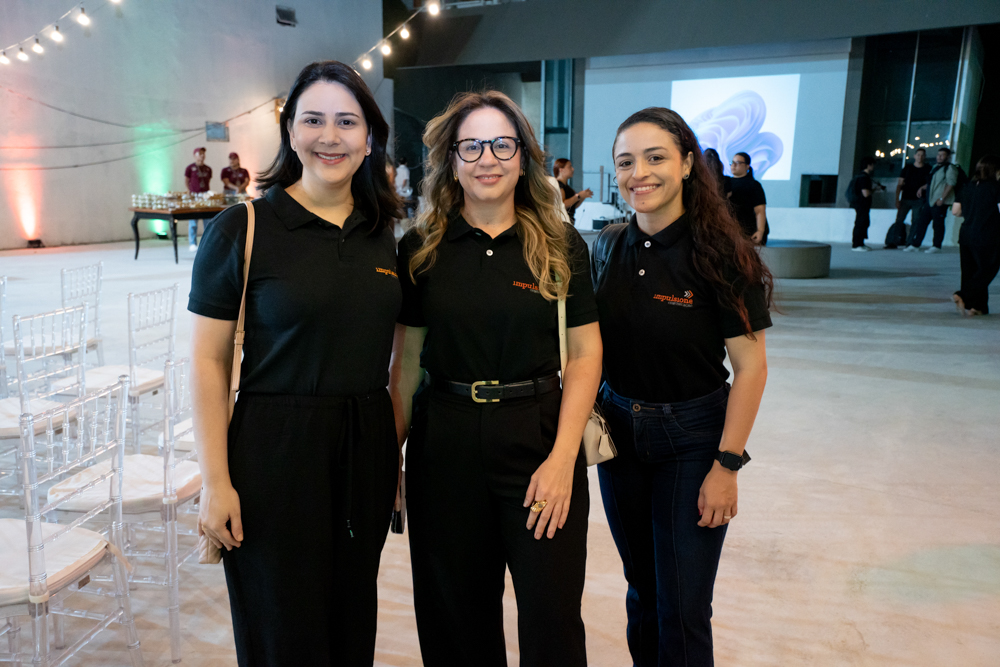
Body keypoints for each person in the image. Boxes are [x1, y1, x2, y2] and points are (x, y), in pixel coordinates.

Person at [188, 60, 401, 666]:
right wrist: (215, 481)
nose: (329, 136)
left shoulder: (384, 233)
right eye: (313, 120)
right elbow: (207, 362)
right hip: (273, 448)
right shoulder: (242, 228)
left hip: (365, 447)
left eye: (346, 121)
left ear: (368, 139)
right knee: (282, 625)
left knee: (351, 616)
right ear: (290, 132)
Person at [389, 90, 602, 667]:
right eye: (472, 145)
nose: (488, 158)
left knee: (552, 619)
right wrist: (392, 458)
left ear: (523, 156)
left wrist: (563, 461)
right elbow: (406, 367)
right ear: (452, 160)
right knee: (454, 619)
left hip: (537, 440)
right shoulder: (420, 249)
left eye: (502, 144)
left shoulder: (559, 246)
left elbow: (584, 355)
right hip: (446, 444)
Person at [595, 107, 772, 666]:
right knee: (642, 593)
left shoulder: (720, 253)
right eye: (626, 162)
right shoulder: (607, 246)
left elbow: (751, 367)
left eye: (655, 158)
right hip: (618, 437)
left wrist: (727, 465)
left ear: (688, 163)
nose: (638, 174)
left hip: (693, 441)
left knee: (684, 605)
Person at [951, 154, 1000, 315]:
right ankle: (962, 295)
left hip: (966, 235)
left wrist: (972, 211)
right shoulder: (996, 188)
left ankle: (977, 307)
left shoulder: (967, 186)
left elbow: (955, 211)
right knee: (987, 269)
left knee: (970, 271)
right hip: (987, 236)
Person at [905, 147, 958, 253]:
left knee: (938, 224)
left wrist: (942, 198)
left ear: (948, 157)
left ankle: (936, 246)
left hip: (939, 201)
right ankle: (916, 245)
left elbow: (951, 183)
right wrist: (922, 188)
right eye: (938, 155)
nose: (939, 157)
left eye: (942, 155)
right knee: (922, 222)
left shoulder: (950, 168)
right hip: (930, 200)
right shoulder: (935, 167)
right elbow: (932, 182)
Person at [886, 148, 930, 248]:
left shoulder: (927, 169)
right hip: (906, 199)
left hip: (919, 200)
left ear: (925, 157)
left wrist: (922, 187)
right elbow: (899, 185)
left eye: (922, 155)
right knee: (899, 220)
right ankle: (894, 242)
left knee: (915, 221)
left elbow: (930, 183)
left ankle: (910, 242)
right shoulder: (908, 168)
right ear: (915, 156)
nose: (920, 157)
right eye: (918, 155)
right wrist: (897, 199)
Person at [727, 151, 767, 244]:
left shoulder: (754, 185)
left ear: (747, 166)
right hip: (730, 231)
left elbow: (760, 210)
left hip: (749, 232)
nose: (733, 165)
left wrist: (760, 231)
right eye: (732, 162)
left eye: (738, 163)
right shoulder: (726, 182)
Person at [184, 147, 212, 251]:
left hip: (205, 195)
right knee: (193, 221)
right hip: (194, 194)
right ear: (194, 155)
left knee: (207, 220)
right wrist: (189, 191)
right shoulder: (190, 168)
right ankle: (192, 243)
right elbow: (186, 181)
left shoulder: (208, 169)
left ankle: (207, 242)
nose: (202, 155)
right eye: (199, 153)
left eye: (203, 153)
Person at [851, 156, 881, 251]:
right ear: (869, 165)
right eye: (872, 165)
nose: (874, 167)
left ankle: (860, 243)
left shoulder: (861, 176)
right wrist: (874, 190)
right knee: (861, 223)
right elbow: (866, 193)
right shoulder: (864, 178)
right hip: (862, 204)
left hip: (860, 204)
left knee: (862, 223)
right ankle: (857, 244)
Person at [553, 158, 593, 223]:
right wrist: (578, 196)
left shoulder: (567, 187)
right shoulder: (558, 185)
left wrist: (583, 196)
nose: (572, 169)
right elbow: (563, 204)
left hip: (569, 220)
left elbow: (573, 206)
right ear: (561, 169)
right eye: (569, 167)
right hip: (562, 222)